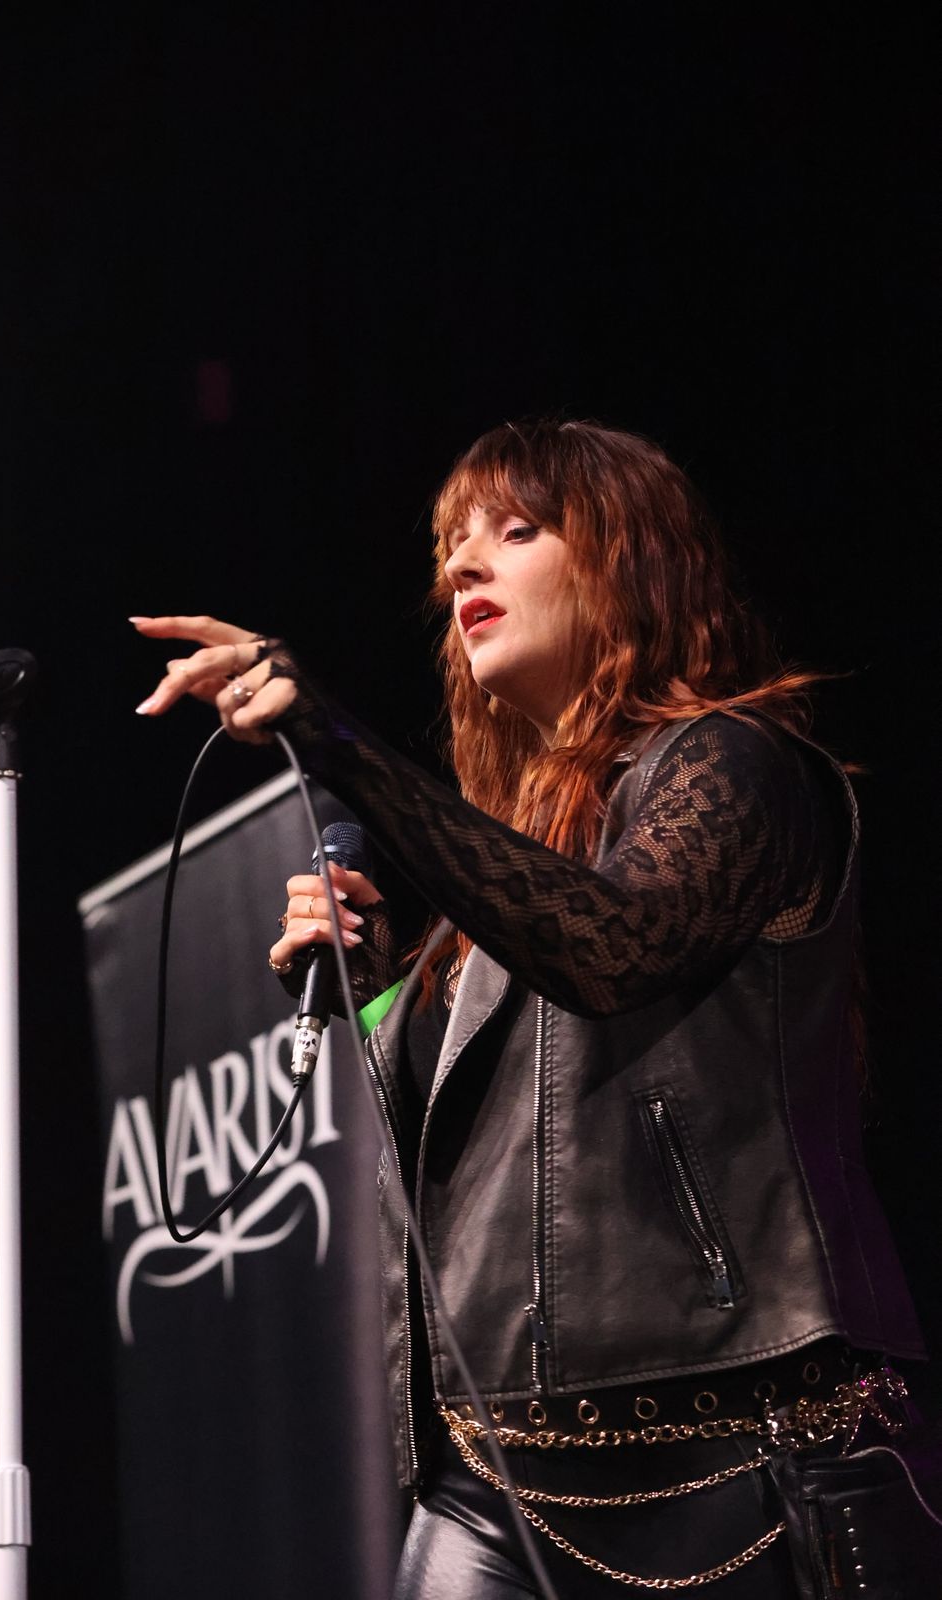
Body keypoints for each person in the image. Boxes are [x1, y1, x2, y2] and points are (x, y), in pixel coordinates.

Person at [132, 419, 926, 1597]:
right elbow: (483, 1163)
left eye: (514, 530)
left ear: (629, 562)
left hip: (739, 1452)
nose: (462, 563)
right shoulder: (512, 866)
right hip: (497, 1472)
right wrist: (380, 984)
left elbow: (612, 949)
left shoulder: (734, 761)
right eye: (452, 544)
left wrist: (337, 741)